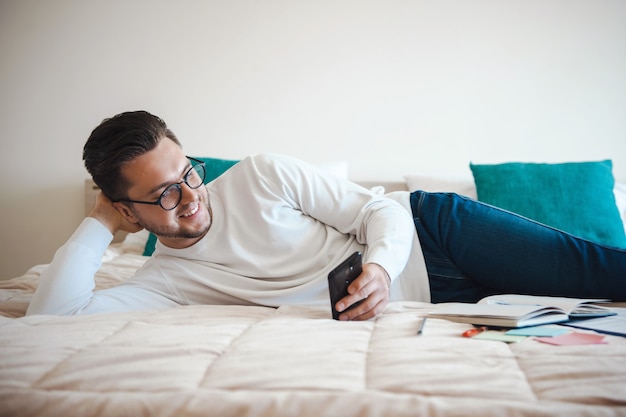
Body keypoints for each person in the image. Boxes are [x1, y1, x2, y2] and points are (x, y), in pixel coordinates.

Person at [27, 111, 626, 320]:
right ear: (128, 210)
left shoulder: (261, 173)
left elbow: (374, 212)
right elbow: (52, 315)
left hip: (434, 235)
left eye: (188, 173)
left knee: (601, 273)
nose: (191, 198)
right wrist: (101, 222)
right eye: (162, 196)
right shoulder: (164, 283)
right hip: (439, 302)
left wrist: (385, 272)